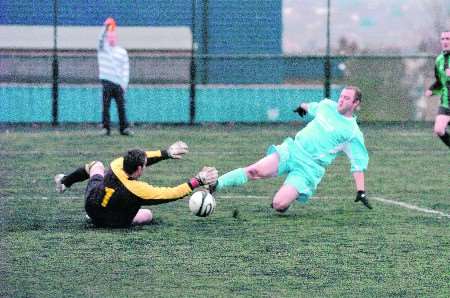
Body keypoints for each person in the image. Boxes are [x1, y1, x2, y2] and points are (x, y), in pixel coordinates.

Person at [210, 86, 371, 212]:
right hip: (291, 150)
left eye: (347, 98)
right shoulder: (327, 105)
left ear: (356, 104)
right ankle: (216, 184)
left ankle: (286, 200)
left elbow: (358, 163)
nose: (341, 100)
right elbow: (311, 107)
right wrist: (302, 107)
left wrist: (360, 191)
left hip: (309, 168)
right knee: (254, 171)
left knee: (278, 204)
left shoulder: (352, 132)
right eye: (341, 96)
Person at [54, 141, 218, 228]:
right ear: (139, 169)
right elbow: (172, 193)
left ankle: (64, 182)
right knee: (147, 214)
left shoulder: (117, 164)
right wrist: (198, 180)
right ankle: (102, 218)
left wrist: (166, 153)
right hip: (114, 222)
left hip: (91, 205)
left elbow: (144, 157)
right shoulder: (138, 190)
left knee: (96, 165)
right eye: (145, 165)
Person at [98, 17, 132, 136]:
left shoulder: (122, 52)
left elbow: (125, 70)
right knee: (105, 107)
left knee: (121, 107)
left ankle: (124, 128)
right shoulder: (103, 50)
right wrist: (106, 27)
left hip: (118, 84)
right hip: (107, 81)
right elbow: (100, 39)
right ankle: (105, 128)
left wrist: (124, 84)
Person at [425, 30, 450, 149]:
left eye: (448, 39)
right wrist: (431, 89)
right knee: (439, 130)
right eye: (443, 39)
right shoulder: (439, 59)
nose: (445, 41)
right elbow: (439, 81)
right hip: (446, 102)